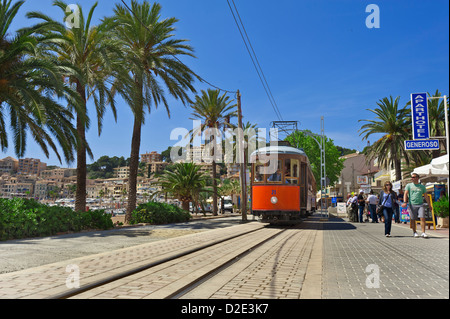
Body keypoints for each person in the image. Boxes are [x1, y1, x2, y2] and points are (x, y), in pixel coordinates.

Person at [402, 173, 432, 238]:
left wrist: (429, 204)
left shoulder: (422, 187)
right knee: (413, 219)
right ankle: (414, 232)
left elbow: (426, 196)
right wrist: (404, 202)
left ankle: (423, 233)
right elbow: (405, 193)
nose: (412, 178)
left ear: (417, 178)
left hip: (421, 204)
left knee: (422, 218)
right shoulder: (409, 185)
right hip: (412, 204)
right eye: (411, 177)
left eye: (413, 177)